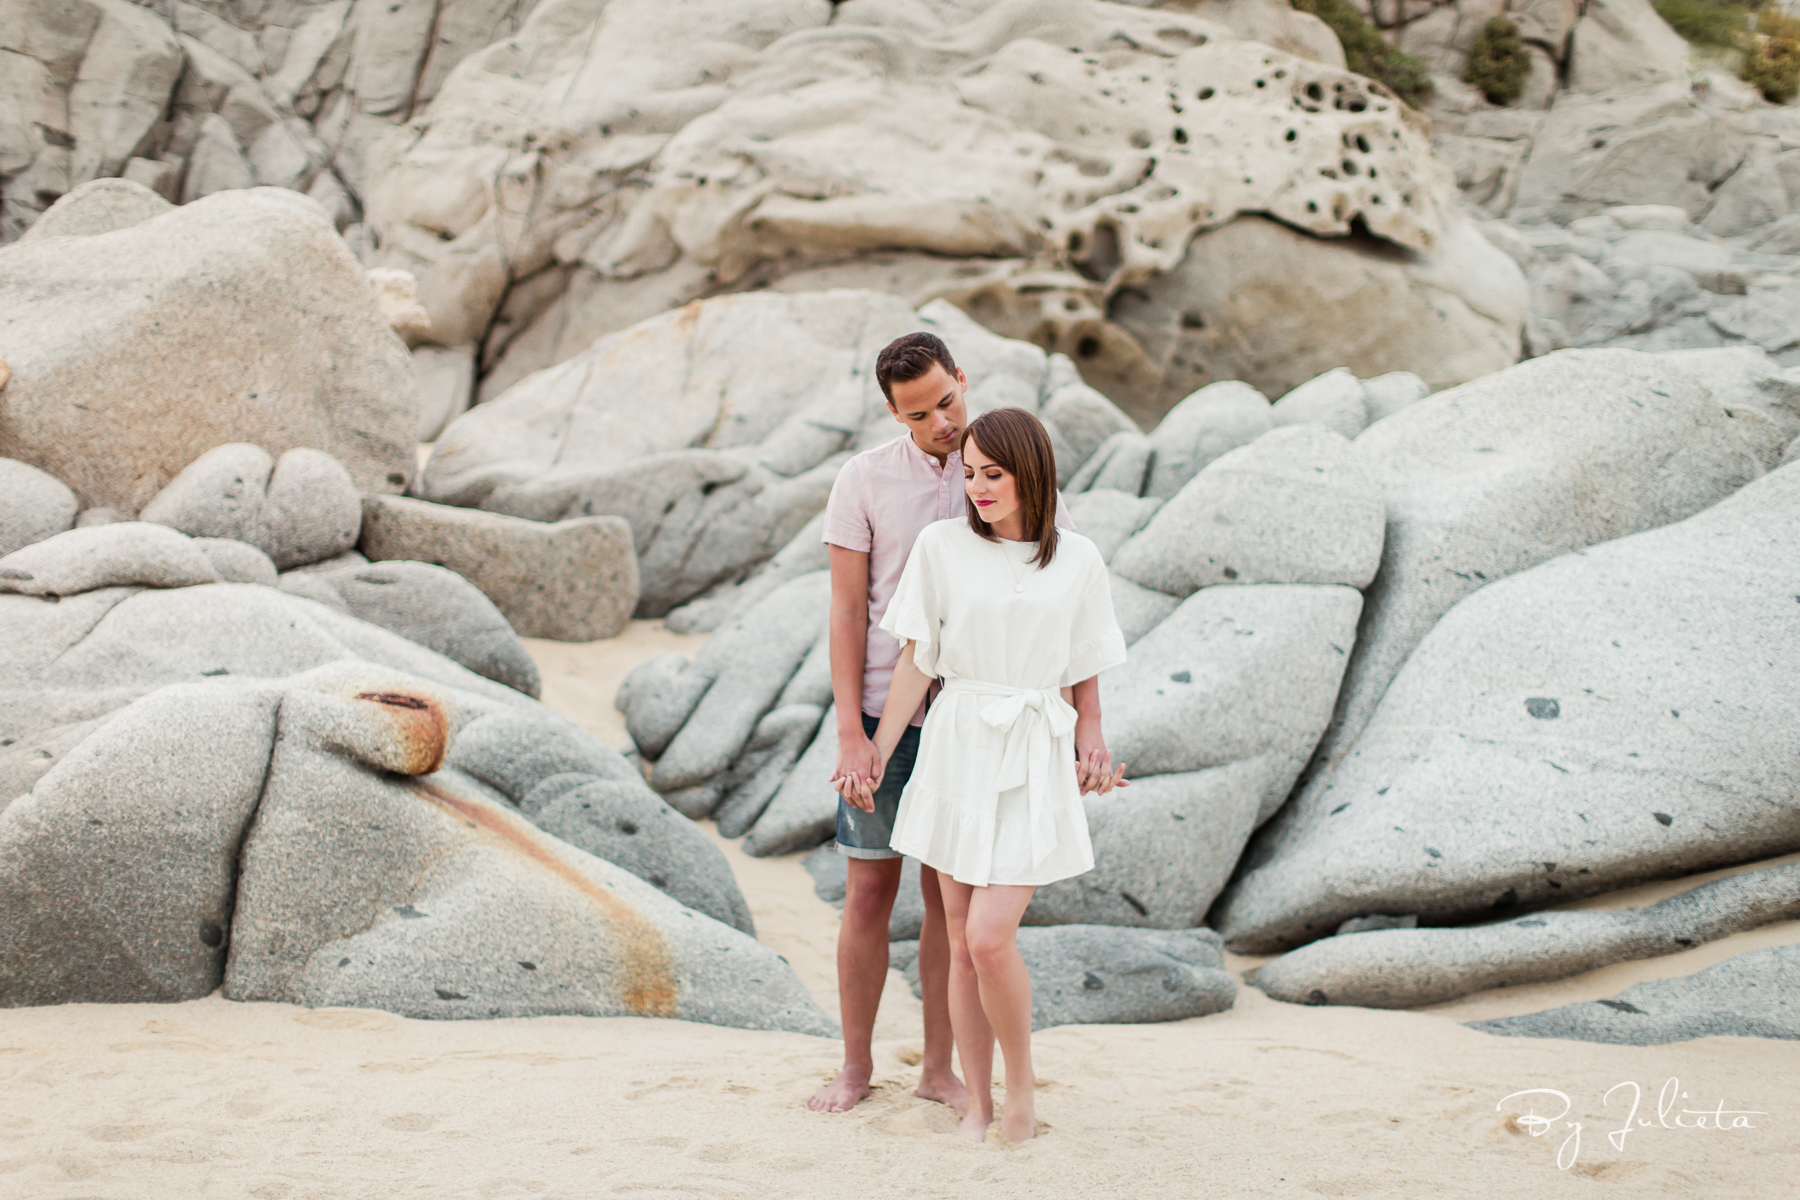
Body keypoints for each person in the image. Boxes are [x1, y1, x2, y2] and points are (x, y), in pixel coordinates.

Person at [807, 334, 1112, 1115]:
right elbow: (847, 610)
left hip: (984, 724)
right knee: (869, 892)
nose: (941, 423)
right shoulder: (865, 479)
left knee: (956, 906)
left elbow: (1064, 601)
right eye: (920, 414)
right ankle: (853, 1066)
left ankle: (941, 1069)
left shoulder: (1007, 458)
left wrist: (1089, 723)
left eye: (948, 401)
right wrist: (853, 734)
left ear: (961, 380)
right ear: (892, 413)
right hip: (888, 708)